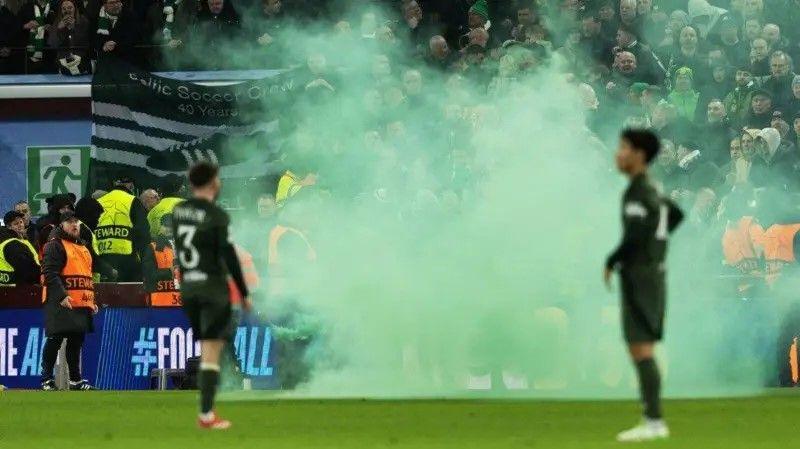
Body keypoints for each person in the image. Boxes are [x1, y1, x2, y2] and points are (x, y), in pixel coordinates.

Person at [604, 129, 684, 442]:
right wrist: (659, 242)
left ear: (639, 155)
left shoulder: (640, 192)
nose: (618, 153)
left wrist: (612, 260)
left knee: (640, 348)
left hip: (641, 276)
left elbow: (635, 234)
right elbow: (674, 214)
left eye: (623, 147)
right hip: (649, 273)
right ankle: (651, 418)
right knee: (640, 347)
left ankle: (653, 420)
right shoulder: (650, 189)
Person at [171, 162, 249, 429]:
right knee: (211, 352)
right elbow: (228, 255)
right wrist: (244, 292)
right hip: (211, 288)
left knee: (207, 347)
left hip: (189, 288)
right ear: (214, 183)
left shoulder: (179, 212)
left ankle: (207, 413)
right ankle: (206, 415)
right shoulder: (217, 215)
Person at [40, 210, 98, 391]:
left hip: (80, 302)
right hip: (61, 301)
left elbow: (87, 277)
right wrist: (61, 295)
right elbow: (50, 273)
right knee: (55, 339)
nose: (74, 225)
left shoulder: (83, 247)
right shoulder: (55, 245)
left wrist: (92, 300)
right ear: (61, 226)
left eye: (76, 221)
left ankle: (75, 380)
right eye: (69, 222)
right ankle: (46, 379)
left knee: (75, 342)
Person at [95, 177, 150, 281]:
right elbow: (143, 234)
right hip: (128, 263)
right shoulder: (133, 200)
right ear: (131, 186)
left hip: (102, 262)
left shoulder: (99, 201)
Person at [142, 214, 180, 307]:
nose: (169, 229)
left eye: (172, 226)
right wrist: (169, 272)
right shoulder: (153, 247)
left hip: (181, 301)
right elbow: (148, 274)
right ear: (161, 226)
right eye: (166, 226)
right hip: (160, 301)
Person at [0, 211, 40, 286]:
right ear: (9, 227)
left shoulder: (22, 240)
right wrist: (39, 278)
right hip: (20, 289)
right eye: (16, 224)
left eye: (21, 222)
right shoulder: (12, 244)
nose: (20, 225)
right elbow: (26, 268)